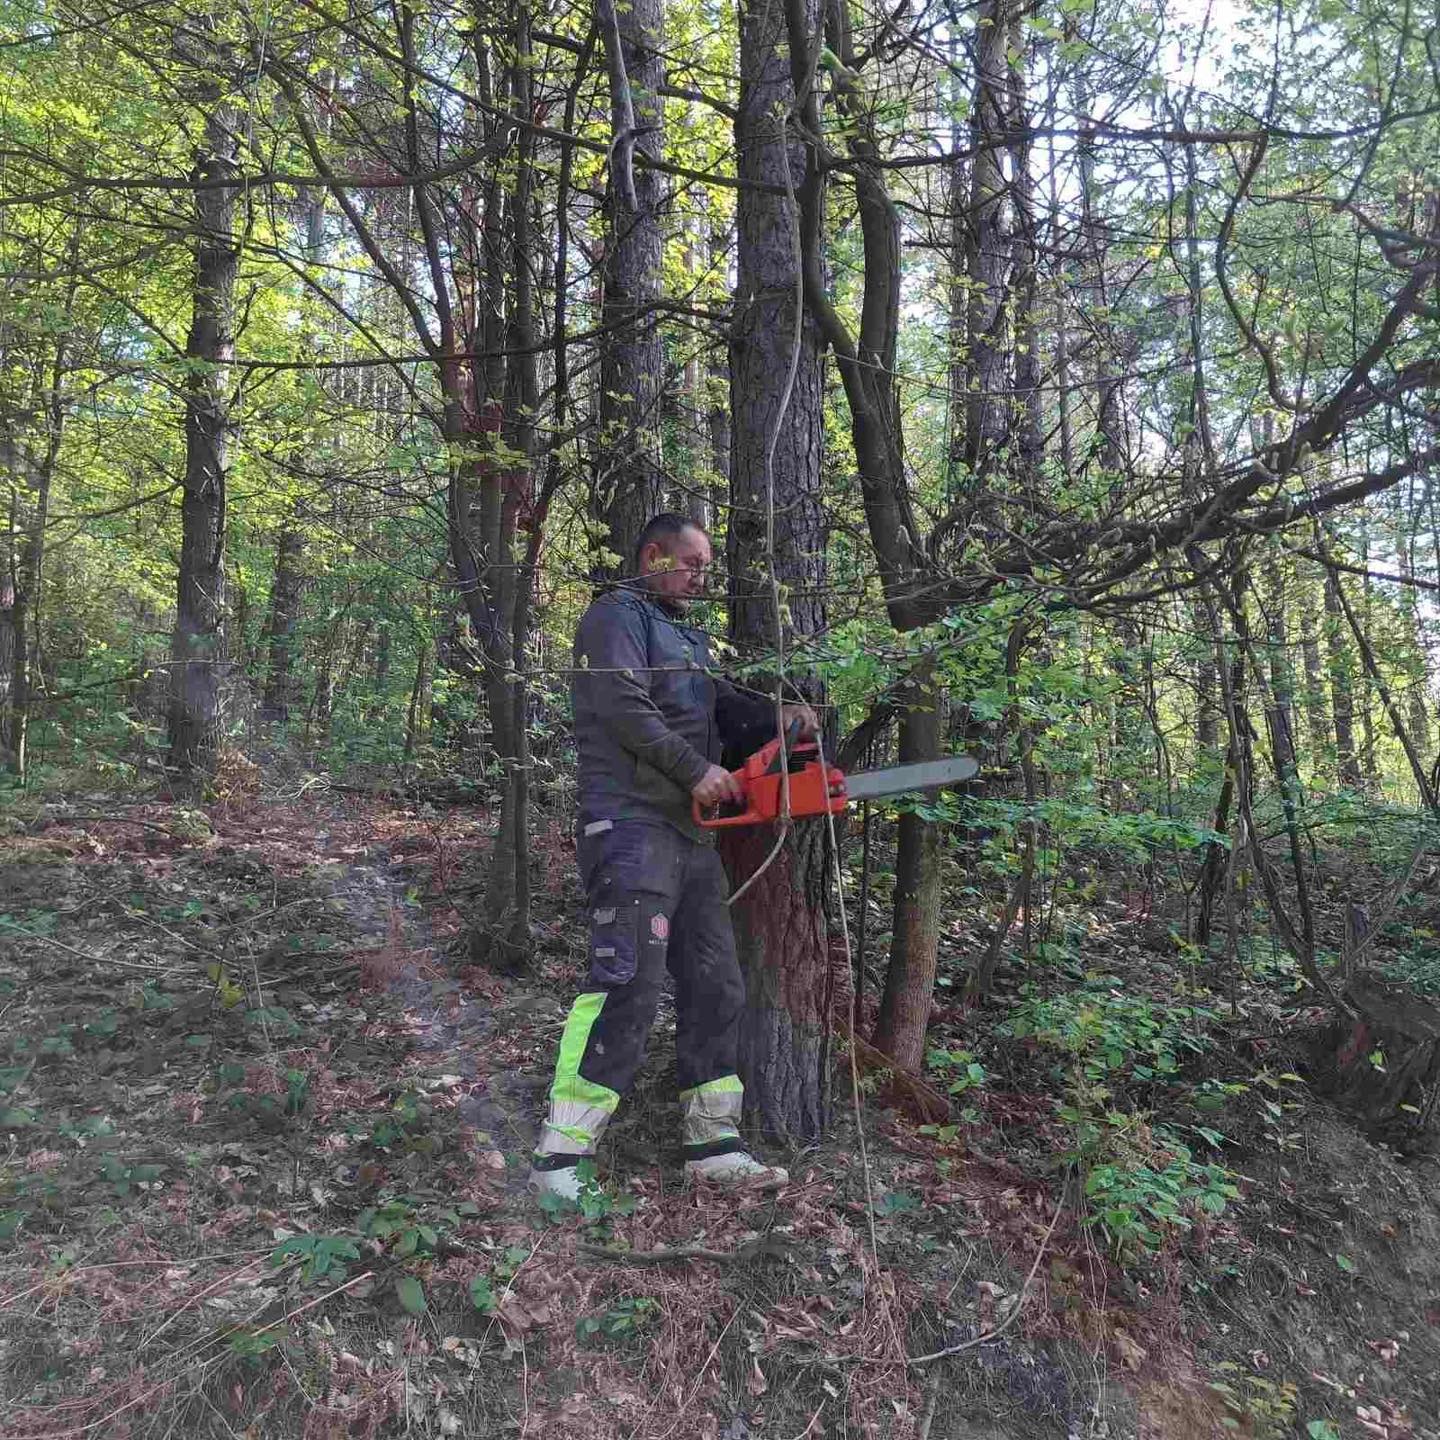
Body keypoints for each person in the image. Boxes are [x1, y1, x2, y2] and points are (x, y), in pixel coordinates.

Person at [527, 513, 817, 1200]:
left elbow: (719, 710)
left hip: (689, 839)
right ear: (651, 555)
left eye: (706, 566)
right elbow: (624, 708)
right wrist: (695, 771)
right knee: (626, 983)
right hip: (628, 828)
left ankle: (713, 1145)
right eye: (690, 563)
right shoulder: (613, 619)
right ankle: (559, 1159)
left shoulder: (686, 638)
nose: (700, 576)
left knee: (718, 985)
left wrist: (777, 719)